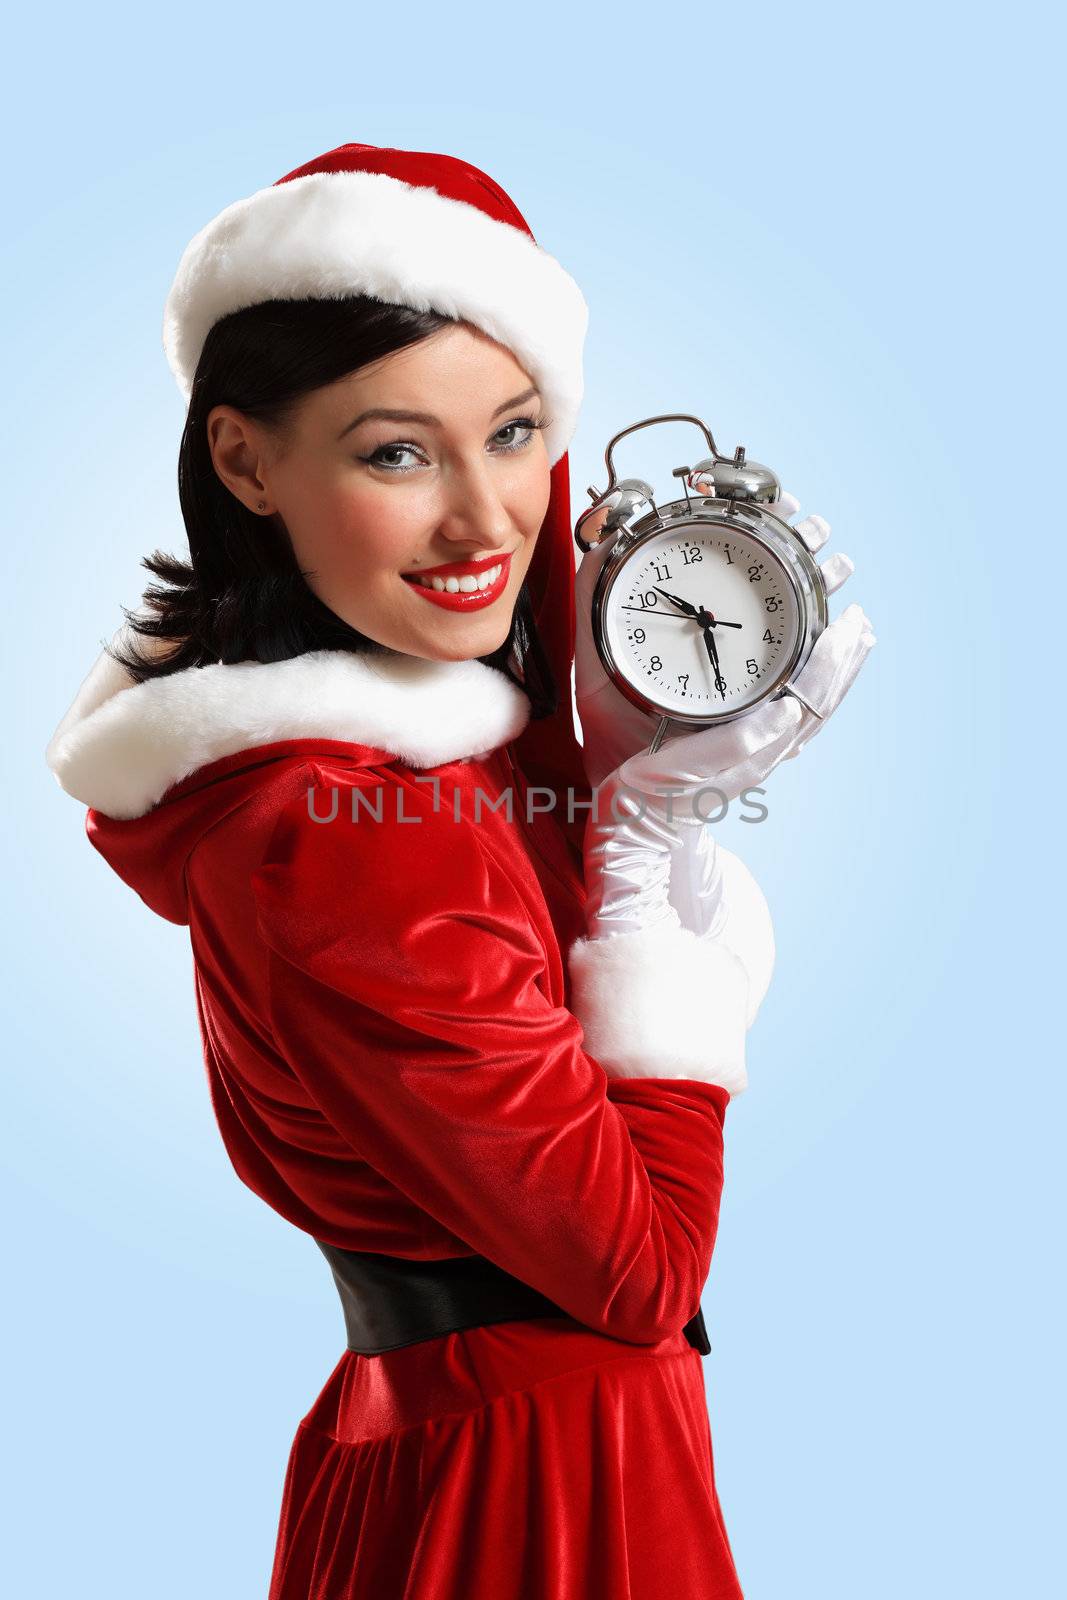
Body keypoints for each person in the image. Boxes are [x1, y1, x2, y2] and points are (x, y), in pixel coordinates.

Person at [44, 142, 875, 1599]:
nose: (488, 523)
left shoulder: (406, 776)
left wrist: (587, 784)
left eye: (515, 432)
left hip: (473, 1437)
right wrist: (641, 847)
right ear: (246, 463)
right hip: (547, 1480)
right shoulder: (351, 834)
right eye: (395, 451)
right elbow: (644, 1271)